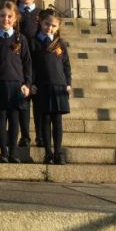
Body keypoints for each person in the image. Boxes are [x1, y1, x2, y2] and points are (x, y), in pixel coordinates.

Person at [0, 1, 32, 164]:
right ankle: (3, 152)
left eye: (9, 16)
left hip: (16, 86)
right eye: (2, 16)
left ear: (15, 19)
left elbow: (27, 63)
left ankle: (13, 153)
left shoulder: (21, 39)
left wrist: (27, 83)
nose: (5, 19)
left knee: (14, 120)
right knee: (0, 120)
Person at [31, 9, 72, 165]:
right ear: (40, 22)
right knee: (45, 121)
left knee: (57, 121)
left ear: (58, 26)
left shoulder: (60, 43)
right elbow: (31, 66)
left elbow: (66, 65)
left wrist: (68, 83)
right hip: (42, 86)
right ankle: (48, 153)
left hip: (59, 86)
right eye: (47, 24)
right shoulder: (34, 42)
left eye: (53, 26)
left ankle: (57, 153)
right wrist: (32, 83)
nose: (49, 28)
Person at [15, 0, 42, 148]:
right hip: (18, 63)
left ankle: (40, 135)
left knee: (38, 102)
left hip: (37, 63)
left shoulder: (41, 14)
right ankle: (24, 136)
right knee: (22, 102)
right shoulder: (13, 12)